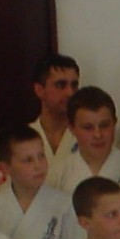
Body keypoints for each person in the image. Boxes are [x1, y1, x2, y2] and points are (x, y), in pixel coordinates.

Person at [50, 86, 120, 194]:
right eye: (88, 128)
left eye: (104, 125)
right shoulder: (57, 175)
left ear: (114, 123)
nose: (98, 135)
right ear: (72, 128)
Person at [29, 52, 80, 183]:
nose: (70, 93)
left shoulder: (88, 135)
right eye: (61, 85)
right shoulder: (23, 138)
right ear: (39, 90)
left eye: (74, 85)